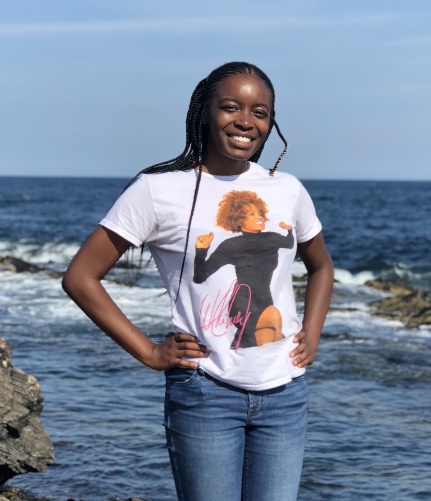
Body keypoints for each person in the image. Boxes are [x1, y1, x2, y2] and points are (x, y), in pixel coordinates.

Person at [62, 61, 334, 501]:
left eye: (260, 112)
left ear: (270, 124)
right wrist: (150, 351)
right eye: (231, 107)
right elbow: (80, 277)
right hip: (204, 392)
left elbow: (321, 265)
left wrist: (313, 333)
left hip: (285, 393)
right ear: (205, 112)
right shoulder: (158, 191)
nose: (246, 121)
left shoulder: (286, 190)